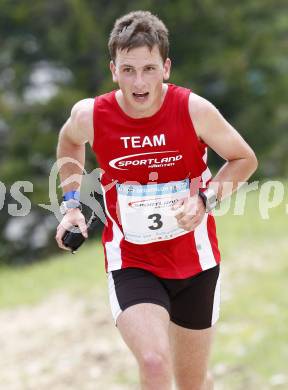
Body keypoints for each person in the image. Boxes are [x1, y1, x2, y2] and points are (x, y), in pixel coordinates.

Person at [55, 10, 258, 390]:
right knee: (153, 364)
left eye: (148, 69)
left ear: (166, 67)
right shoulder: (92, 115)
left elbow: (244, 159)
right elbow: (69, 142)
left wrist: (205, 200)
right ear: (113, 69)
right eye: (128, 69)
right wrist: (71, 206)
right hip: (132, 262)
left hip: (195, 263)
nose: (139, 82)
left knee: (191, 383)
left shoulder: (193, 110)